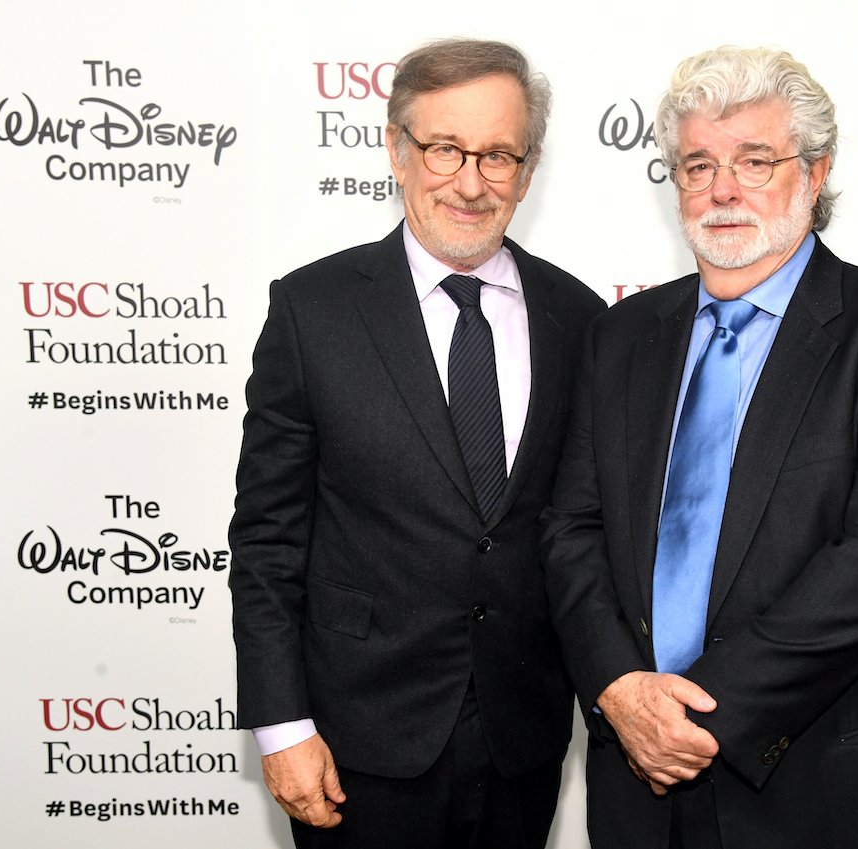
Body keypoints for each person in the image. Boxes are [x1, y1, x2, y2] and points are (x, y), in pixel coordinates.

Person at [541, 45, 858, 849]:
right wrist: (621, 691)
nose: (723, 189)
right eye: (697, 165)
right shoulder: (621, 336)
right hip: (640, 781)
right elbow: (572, 530)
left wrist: (699, 714)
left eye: (755, 160)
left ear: (814, 173)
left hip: (826, 787)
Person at [229, 38, 604, 849]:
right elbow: (267, 539)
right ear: (398, 151)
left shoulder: (581, 320)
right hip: (354, 739)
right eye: (444, 148)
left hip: (524, 734)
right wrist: (279, 725)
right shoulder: (313, 310)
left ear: (527, 170)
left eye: (498, 154)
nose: (471, 182)